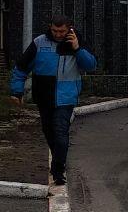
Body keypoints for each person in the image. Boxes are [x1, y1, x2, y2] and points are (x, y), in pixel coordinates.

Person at [10, 16, 97, 187]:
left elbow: (91, 66)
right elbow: (21, 67)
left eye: (62, 31)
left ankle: (58, 170)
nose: (58, 34)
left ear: (69, 29)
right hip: (44, 97)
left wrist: (78, 49)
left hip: (66, 98)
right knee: (50, 134)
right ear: (50, 28)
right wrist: (16, 91)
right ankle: (57, 163)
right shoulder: (39, 43)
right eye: (55, 31)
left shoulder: (76, 42)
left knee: (60, 134)